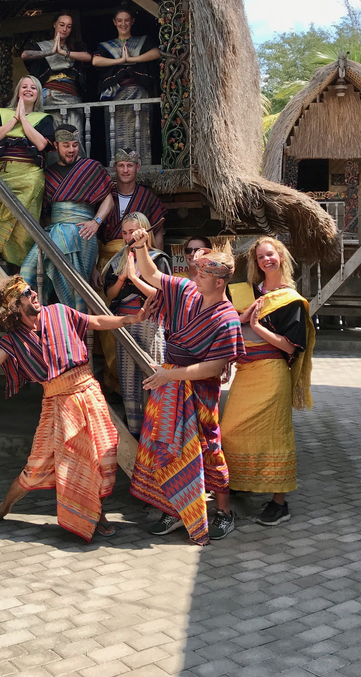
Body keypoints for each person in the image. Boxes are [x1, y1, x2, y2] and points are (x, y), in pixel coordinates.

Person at [0, 275, 153, 541]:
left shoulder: (58, 312)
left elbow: (96, 321)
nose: (34, 293)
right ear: (16, 307)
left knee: (100, 456)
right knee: (36, 466)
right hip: (56, 404)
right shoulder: (14, 342)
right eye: (27, 293)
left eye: (32, 289)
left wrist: (132, 319)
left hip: (88, 392)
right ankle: (5, 507)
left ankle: (97, 514)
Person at [128, 231, 245, 545]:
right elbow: (151, 274)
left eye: (204, 272)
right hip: (170, 381)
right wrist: (140, 245)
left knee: (208, 448)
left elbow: (214, 368)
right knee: (165, 445)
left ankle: (223, 512)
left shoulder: (227, 318)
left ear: (219, 282)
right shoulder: (185, 290)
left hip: (198, 391)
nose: (196, 273)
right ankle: (173, 507)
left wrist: (173, 375)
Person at [222, 238, 315, 526]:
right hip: (246, 371)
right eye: (261, 257)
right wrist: (244, 317)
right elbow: (231, 326)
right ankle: (239, 481)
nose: (266, 260)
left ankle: (279, 503)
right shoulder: (246, 292)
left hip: (272, 373)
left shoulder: (291, 299)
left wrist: (258, 325)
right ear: (256, 262)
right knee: (230, 430)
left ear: (281, 257)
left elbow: (289, 347)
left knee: (274, 435)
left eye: (270, 254)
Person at [21, 125, 114, 312]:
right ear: (56, 146)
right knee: (27, 273)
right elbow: (46, 213)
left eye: (74, 145)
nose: (71, 150)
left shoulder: (91, 167)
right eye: (66, 145)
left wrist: (96, 222)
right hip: (55, 232)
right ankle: (36, 320)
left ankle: (74, 328)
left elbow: (109, 199)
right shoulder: (48, 174)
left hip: (84, 233)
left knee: (76, 287)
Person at [96, 149, 166, 391]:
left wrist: (156, 261)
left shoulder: (148, 198)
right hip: (109, 260)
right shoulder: (105, 197)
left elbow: (157, 233)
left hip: (143, 258)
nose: (125, 170)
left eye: (130, 165)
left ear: (137, 168)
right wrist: (97, 266)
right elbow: (95, 233)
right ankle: (115, 384)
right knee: (108, 329)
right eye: (121, 165)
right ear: (115, 168)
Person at [0, 76, 55, 267]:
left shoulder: (44, 119)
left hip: (29, 175)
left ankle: (16, 262)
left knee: (21, 222)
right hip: (1, 172)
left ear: (38, 94)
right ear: (18, 91)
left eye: (33, 88)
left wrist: (24, 119)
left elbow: (41, 144)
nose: (28, 90)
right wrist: (15, 119)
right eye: (24, 86)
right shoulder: (2, 114)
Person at [103, 212, 171, 437]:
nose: (128, 236)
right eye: (124, 232)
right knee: (129, 385)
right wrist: (123, 277)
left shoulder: (158, 259)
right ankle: (134, 435)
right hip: (125, 326)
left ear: (144, 231)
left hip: (151, 325)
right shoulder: (119, 259)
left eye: (133, 231)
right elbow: (110, 295)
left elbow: (162, 295)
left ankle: (154, 437)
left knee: (151, 377)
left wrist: (134, 279)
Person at [92, 8, 160, 164]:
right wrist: (120, 61)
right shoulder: (106, 46)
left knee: (141, 131)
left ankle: (142, 164)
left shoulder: (143, 41)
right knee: (118, 132)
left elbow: (156, 53)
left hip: (139, 92)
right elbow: (95, 61)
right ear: (115, 22)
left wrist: (131, 59)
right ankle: (121, 165)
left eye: (127, 20)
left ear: (132, 22)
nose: (124, 24)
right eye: (120, 20)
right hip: (117, 94)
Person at [21, 11, 91, 133]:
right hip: (49, 95)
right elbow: (25, 55)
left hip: (71, 95)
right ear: (54, 24)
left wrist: (63, 52)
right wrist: (51, 52)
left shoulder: (76, 47)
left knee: (75, 135)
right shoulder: (41, 46)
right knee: (52, 134)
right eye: (61, 25)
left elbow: (89, 58)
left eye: (68, 26)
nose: (65, 29)